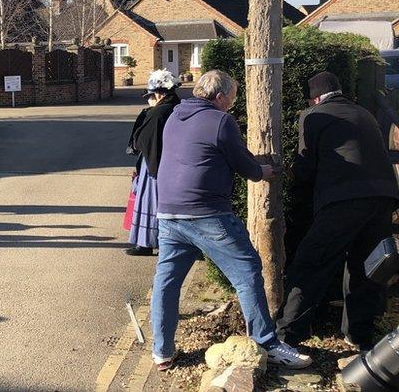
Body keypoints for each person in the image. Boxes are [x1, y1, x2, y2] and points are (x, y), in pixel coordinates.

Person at [150, 70, 311, 370]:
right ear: (220, 96)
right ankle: (267, 343)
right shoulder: (221, 120)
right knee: (248, 270)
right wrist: (265, 172)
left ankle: (162, 351)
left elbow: (207, 152)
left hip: (169, 212)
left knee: (167, 282)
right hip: (205, 212)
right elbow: (245, 166)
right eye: (232, 100)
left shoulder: (174, 116)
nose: (232, 106)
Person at [276, 72, 399, 351]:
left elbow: (305, 168)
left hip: (343, 198)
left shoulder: (312, 115)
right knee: (367, 267)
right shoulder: (364, 113)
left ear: (315, 97)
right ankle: (359, 337)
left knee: (311, 263)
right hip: (383, 196)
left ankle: (286, 337)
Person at [125, 70, 181, 256]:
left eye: (150, 95)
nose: (149, 99)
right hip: (171, 164)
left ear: (159, 94)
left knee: (150, 202)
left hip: (153, 165)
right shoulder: (178, 107)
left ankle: (146, 242)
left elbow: (142, 140)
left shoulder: (158, 113)